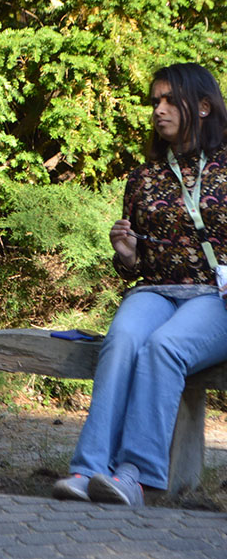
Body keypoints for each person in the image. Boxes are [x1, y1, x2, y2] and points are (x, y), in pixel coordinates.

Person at [52, 63, 227, 506]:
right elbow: (137, 265)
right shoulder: (143, 177)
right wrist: (127, 256)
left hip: (216, 297)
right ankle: (88, 467)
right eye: (155, 102)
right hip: (157, 290)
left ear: (203, 107)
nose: (159, 109)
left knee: (164, 347)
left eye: (169, 100)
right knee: (123, 338)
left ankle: (136, 475)